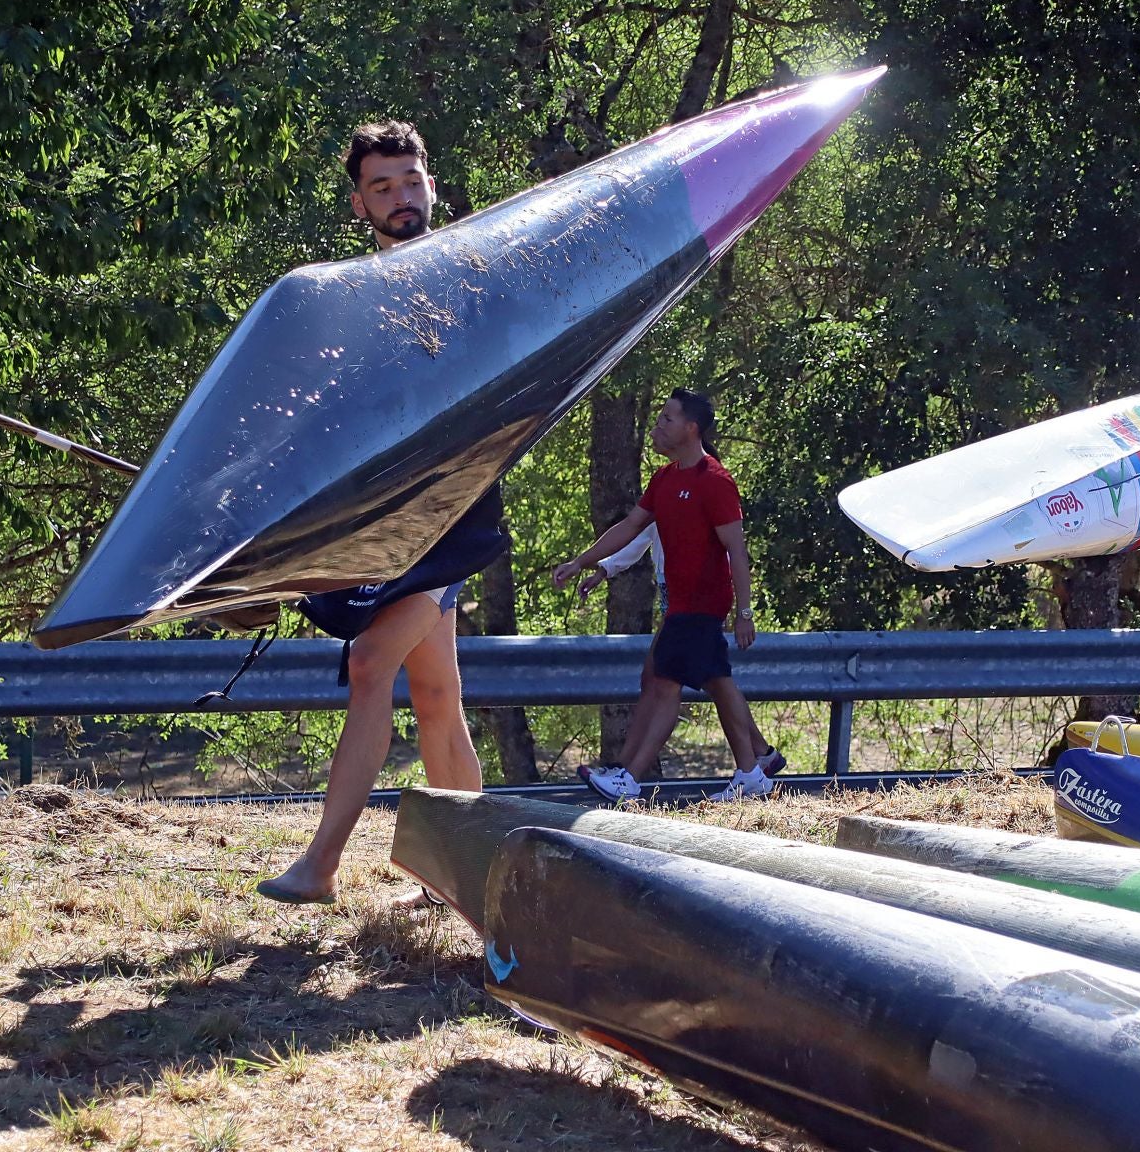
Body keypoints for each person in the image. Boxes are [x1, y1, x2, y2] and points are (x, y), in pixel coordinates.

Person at [258, 120, 504, 905]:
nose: (400, 196)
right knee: (436, 696)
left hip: (450, 512)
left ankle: (321, 865)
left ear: (432, 181)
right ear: (360, 201)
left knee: (371, 666)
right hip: (389, 516)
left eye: (409, 179)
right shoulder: (358, 292)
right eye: (381, 186)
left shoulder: (473, 269)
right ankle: (467, 881)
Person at [553, 390, 776, 801]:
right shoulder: (665, 479)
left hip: (702, 605)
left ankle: (630, 779)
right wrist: (583, 561)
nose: (659, 425)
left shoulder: (715, 481)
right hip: (680, 604)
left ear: (691, 428)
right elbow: (629, 528)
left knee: (665, 683)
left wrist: (745, 612)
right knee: (716, 681)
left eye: (667, 419)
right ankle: (751, 772)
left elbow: (737, 552)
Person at [577, 523, 786, 780]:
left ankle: (626, 772)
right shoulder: (665, 490)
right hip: (675, 600)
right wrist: (603, 570)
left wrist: (742, 610)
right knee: (709, 680)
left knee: (666, 681)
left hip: (697, 601)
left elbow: (732, 548)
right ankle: (761, 755)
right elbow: (637, 532)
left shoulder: (704, 489)